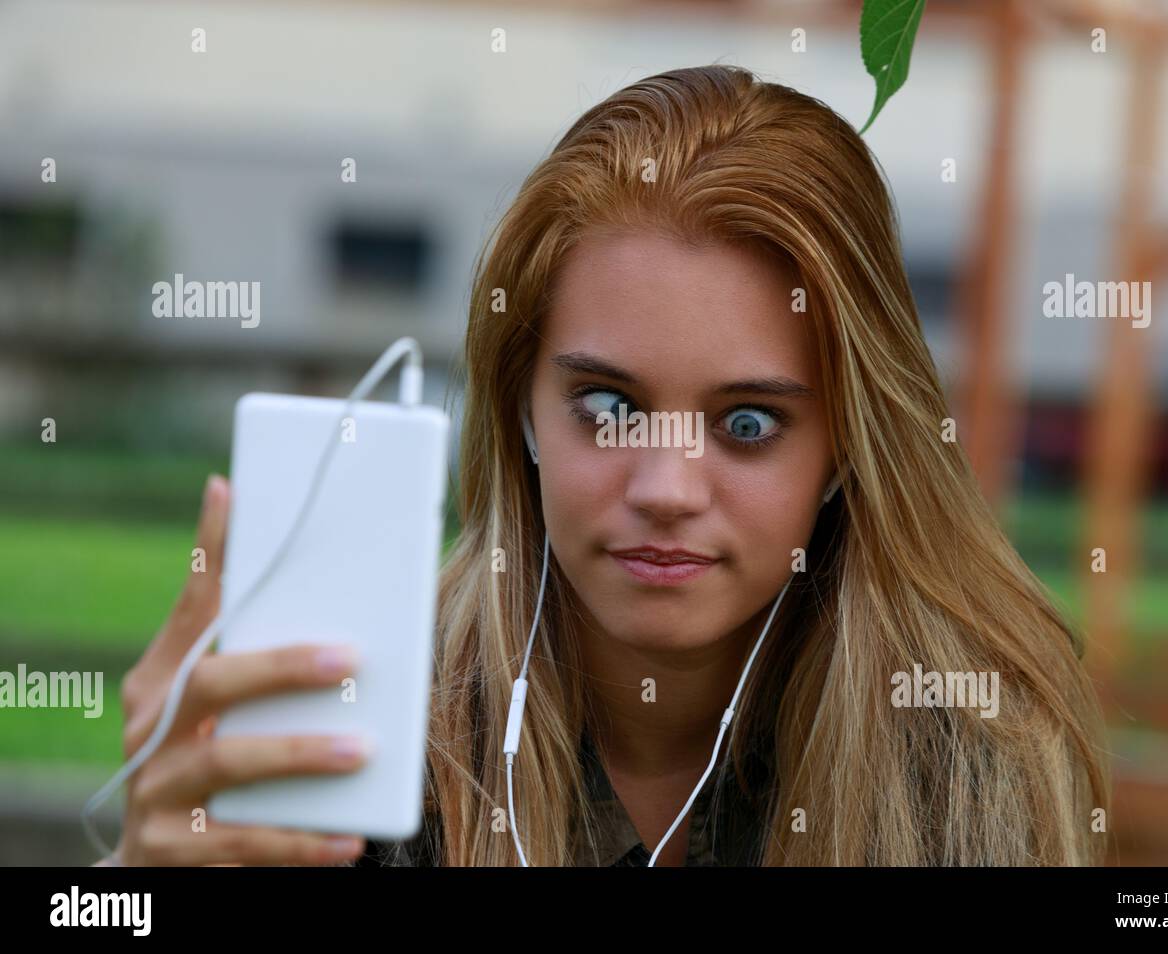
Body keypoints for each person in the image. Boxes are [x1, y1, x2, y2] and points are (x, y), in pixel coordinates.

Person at [106, 64, 1110, 867]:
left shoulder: (968, 757)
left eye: (749, 423)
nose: (666, 487)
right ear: (522, 408)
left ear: (847, 447)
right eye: (609, 407)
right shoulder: (362, 736)